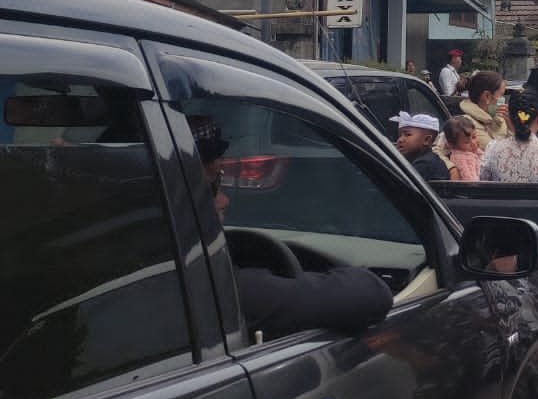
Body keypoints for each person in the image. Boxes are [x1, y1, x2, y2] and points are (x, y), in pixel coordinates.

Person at [191, 115, 394, 339]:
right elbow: (372, 293)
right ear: (183, 198)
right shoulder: (222, 291)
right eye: (214, 184)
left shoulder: (176, 283)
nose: (224, 200)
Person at [458, 70, 509, 149]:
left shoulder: (498, 117)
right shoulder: (466, 125)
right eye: (501, 95)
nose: (503, 99)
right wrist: (512, 130)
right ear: (487, 96)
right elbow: (498, 152)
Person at [395, 111, 450, 182]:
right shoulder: (421, 158)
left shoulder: (424, 164)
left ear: (426, 140)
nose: (400, 140)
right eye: (399, 135)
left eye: (407, 135)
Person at [441, 115, 482, 181]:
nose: (473, 143)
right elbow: (470, 181)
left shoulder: (474, 151)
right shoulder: (459, 158)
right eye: (466, 142)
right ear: (452, 145)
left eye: (474, 137)